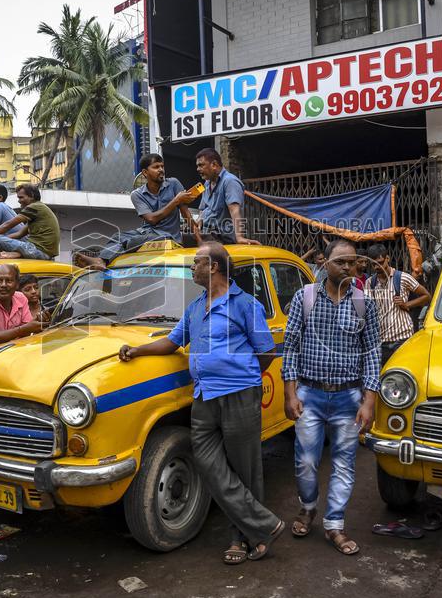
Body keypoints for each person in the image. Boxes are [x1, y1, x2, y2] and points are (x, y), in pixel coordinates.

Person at [118, 242, 284, 564]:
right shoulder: (196, 307)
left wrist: (239, 376)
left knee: (244, 470)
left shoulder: (245, 305)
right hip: (204, 396)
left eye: (196, 263)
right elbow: (172, 342)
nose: (192, 267)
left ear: (215, 267)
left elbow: (266, 352)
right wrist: (137, 350)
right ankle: (265, 526)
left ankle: (242, 539)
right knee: (209, 465)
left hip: (238, 395)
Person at [281, 239, 381, 556]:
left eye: (353, 263)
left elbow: (373, 353)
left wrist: (369, 400)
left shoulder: (365, 303)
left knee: (344, 465)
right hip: (309, 394)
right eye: (341, 262)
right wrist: (290, 393)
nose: (348, 268)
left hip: (348, 398)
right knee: (306, 462)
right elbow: (291, 347)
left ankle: (334, 524)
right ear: (326, 264)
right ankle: (308, 506)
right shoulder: (305, 298)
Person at [73, 153, 201, 270]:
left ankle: (101, 260)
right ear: (145, 173)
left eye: (162, 166)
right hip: (147, 233)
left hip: (168, 236)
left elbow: (185, 213)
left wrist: (199, 240)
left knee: (133, 241)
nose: (161, 170)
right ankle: (101, 260)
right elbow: (151, 219)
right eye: (156, 167)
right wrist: (176, 201)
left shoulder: (173, 183)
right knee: (117, 237)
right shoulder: (137, 194)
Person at [365, 244, 431, 365]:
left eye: (380, 262)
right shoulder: (370, 283)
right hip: (381, 342)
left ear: (388, 258)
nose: (377, 267)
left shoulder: (403, 278)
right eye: (374, 264)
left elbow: (426, 296)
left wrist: (407, 304)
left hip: (402, 339)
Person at [195, 148, 259, 245]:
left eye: (201, 165)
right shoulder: (207, 183)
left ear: (214, 165)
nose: (198, 169)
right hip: (206, 235)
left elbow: (234, 210)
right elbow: (203, 209)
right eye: (197, 166)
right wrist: (199, 220)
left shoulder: (230, 182)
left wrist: (239, 237)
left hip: (222, 239)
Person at [0, 184, 60, 260]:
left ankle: (18, 253)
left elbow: (8, 225)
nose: (19, 201)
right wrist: (2, 240)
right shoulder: (38, 210)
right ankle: (18, 253)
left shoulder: (34, 207)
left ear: (31, 196)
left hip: (38, 251)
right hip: (42, 253)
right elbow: (19, 234)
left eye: (21, 197)